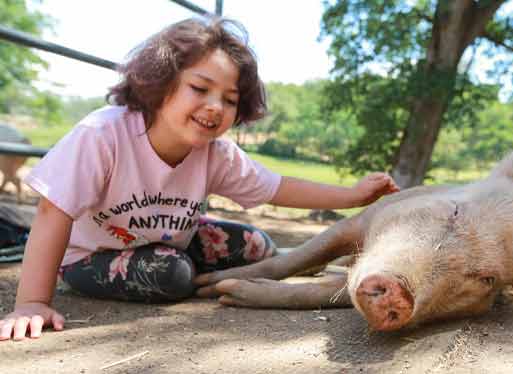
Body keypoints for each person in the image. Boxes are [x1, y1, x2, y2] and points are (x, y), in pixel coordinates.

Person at [0, 17, 399, 341]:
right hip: (88, 256)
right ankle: (194, 275)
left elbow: (277, 187)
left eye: (229, 100)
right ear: (160, 83)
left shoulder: (215, 152)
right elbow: (53, 211)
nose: (215, 107)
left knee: (259, 244)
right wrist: (32, 301)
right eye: (200, 88)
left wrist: (353, 195)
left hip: (171, 240)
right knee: (171, 274)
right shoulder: (104, 135)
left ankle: (202, 270)